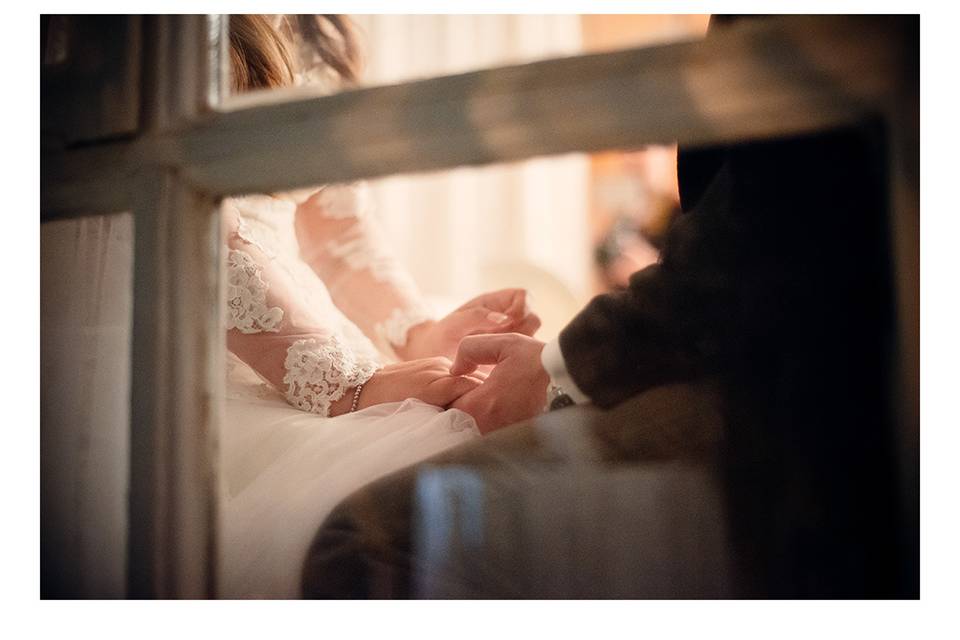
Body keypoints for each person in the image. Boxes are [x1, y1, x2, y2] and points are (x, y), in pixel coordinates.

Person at [304, 15, 911, 597]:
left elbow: (760, 241)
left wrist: (555, 366)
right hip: (766, 346)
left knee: (360, 543)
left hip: (811, 384)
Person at [220, 15, 540, 597]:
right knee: (435, 456)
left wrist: (418, 333)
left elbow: (336, 233)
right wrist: (348, 386)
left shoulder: (323, 28)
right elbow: (198, 234)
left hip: (308, 328)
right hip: (196, 351)